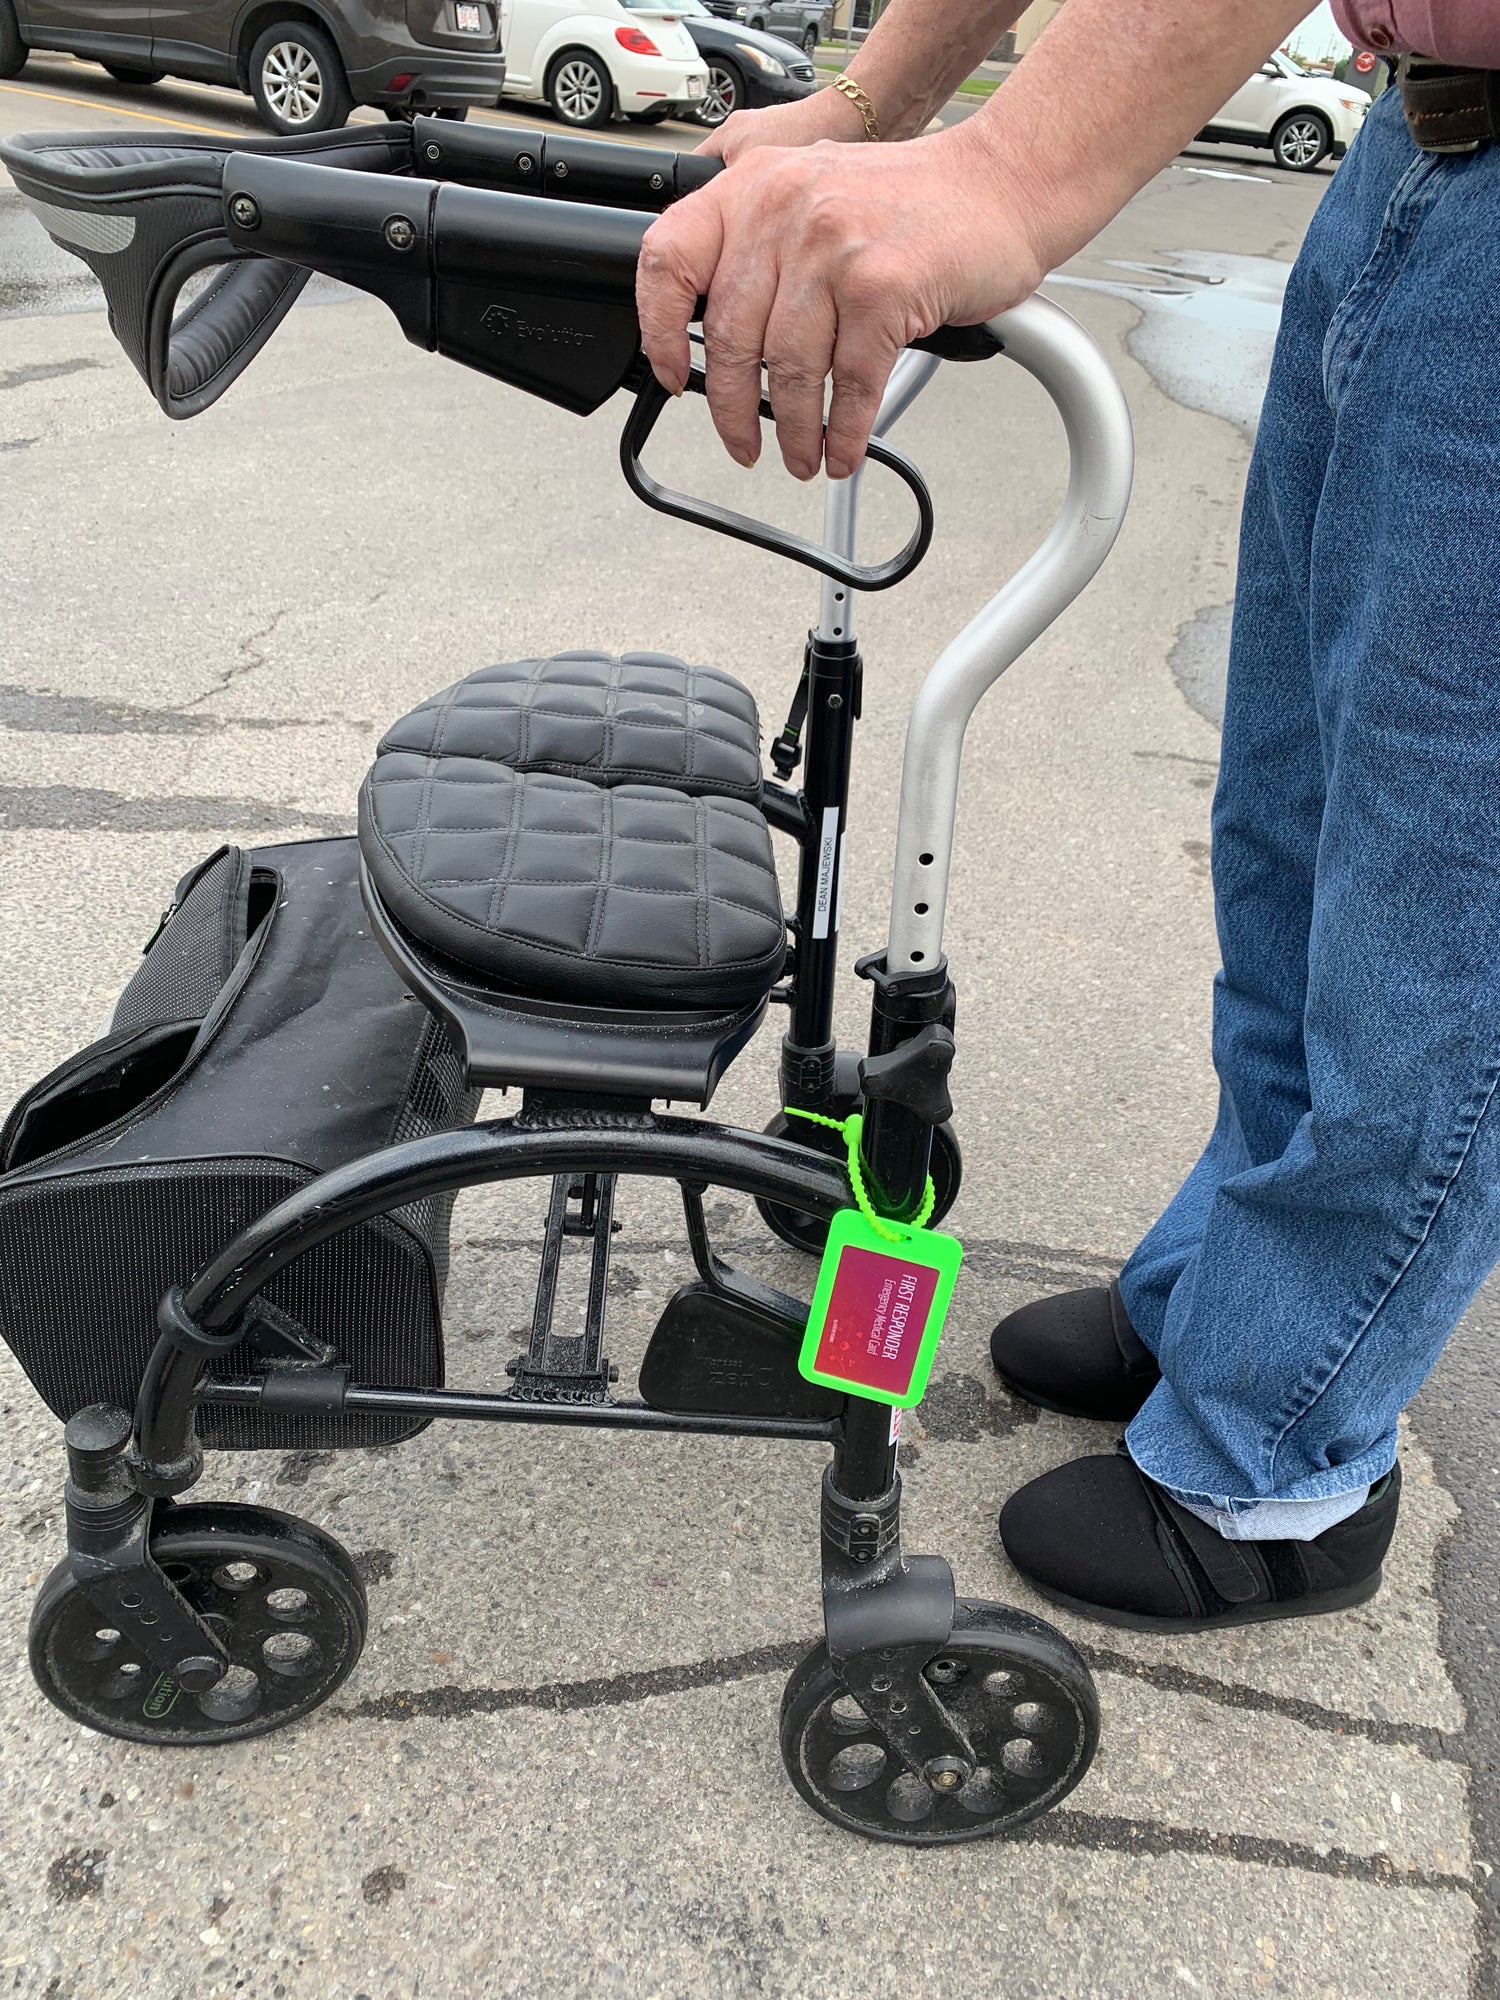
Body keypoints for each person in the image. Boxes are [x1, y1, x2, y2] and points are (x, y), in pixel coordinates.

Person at [636, 0, 1500, 1633]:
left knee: (1440, 908)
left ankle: (1282, 1463)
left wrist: (1011, 171)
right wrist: (876, 101)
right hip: (1411, 157)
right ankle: (1233, 1309)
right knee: (1298, 843)